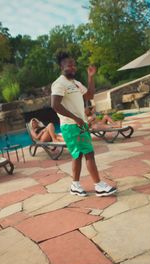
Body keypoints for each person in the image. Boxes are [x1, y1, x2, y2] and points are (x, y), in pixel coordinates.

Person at [51, 51, 117, 197]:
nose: (73, 67)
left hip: (79, 124)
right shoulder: (59, 83)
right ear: (62, 66)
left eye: (74, 65)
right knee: (88, 153)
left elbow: (90, 95)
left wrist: (90, 77)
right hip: (71, 125)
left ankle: (75, 185)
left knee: (78, 155)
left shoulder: (75, 83)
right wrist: (76, 118)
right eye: (70, 65)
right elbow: (55, 105)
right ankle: (99, 185)